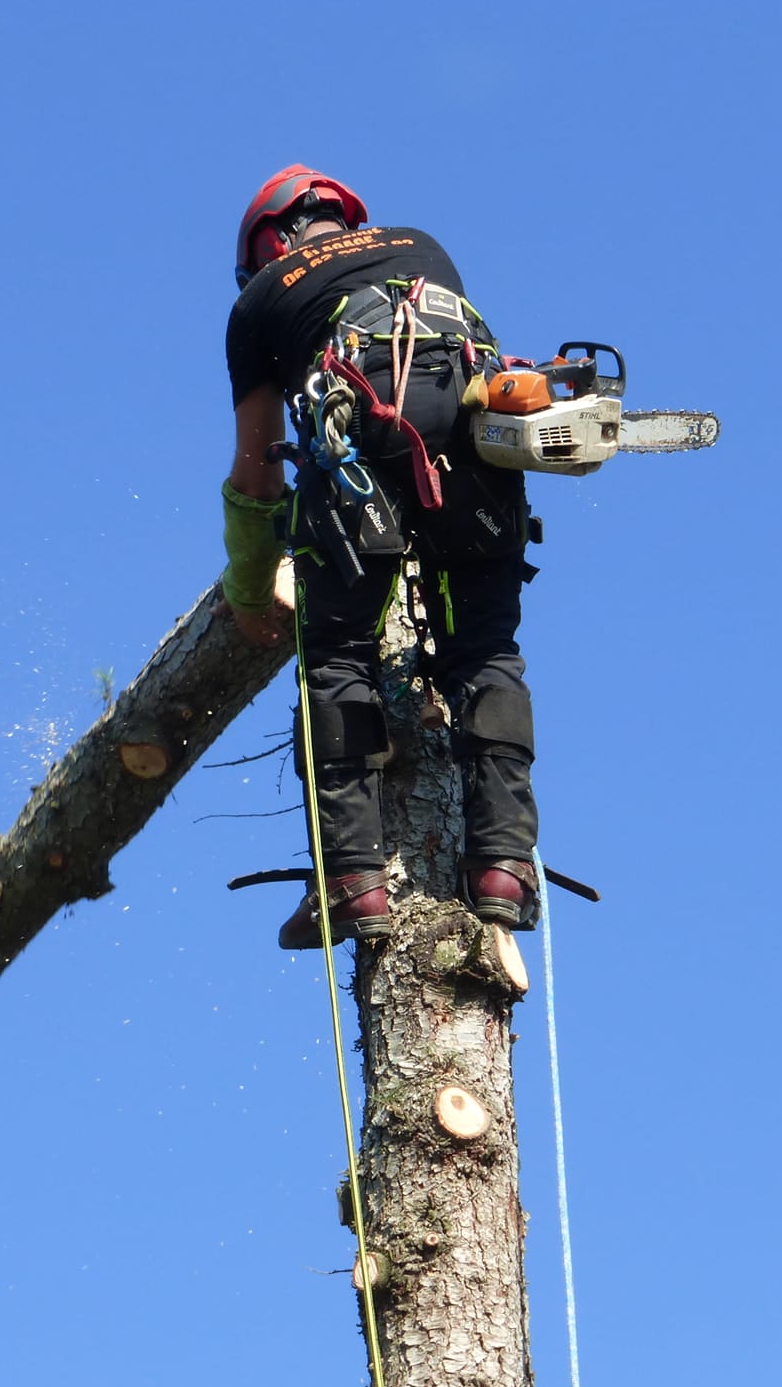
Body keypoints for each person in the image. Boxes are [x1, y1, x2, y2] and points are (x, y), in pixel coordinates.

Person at [218, 165, 543, 950]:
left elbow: (257, 474)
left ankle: (354, 882)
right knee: (486, 650)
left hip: (360, 442)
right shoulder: (421, 244)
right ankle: (503, 865)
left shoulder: (260, 301)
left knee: (338, 653)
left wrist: (252, 589)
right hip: (473, 438)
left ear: (267, 246)